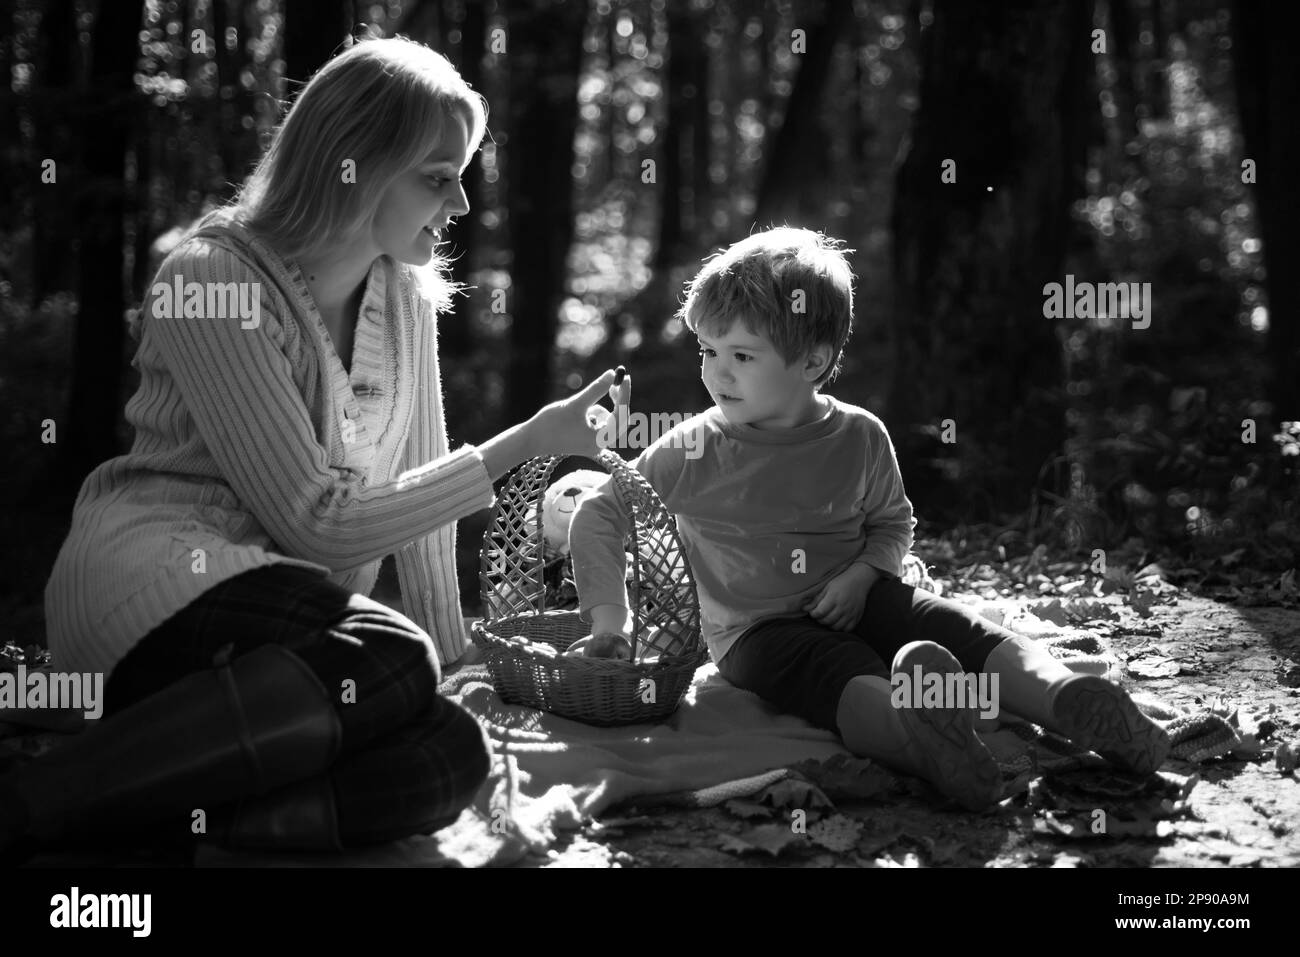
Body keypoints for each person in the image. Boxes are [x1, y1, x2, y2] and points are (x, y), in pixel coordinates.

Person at [1, 36, 624, 857]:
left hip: (296, 632)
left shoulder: (401, 296)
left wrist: (463, 664)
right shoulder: (209, 280)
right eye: (439, 177)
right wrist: (531, 441)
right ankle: (27, 804)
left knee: (448, 750)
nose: (463, 206)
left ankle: (178, 834)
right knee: (392, 653)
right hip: (154, 578)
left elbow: (419, 496)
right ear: (353, 165)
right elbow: (316, 524)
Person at [569, 227, 1171, 812]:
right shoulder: (691, 448)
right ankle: (926, 743)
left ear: (812, 362)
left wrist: (861, 577)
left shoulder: (858, 436)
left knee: (956, 629)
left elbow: (891, 526)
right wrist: (610, 620)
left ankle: (1067, 698)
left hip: (865, 594)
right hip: (757, 633)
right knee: (838, 673)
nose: (716, 372)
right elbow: (601, 511)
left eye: (742, 355)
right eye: (709, 350)